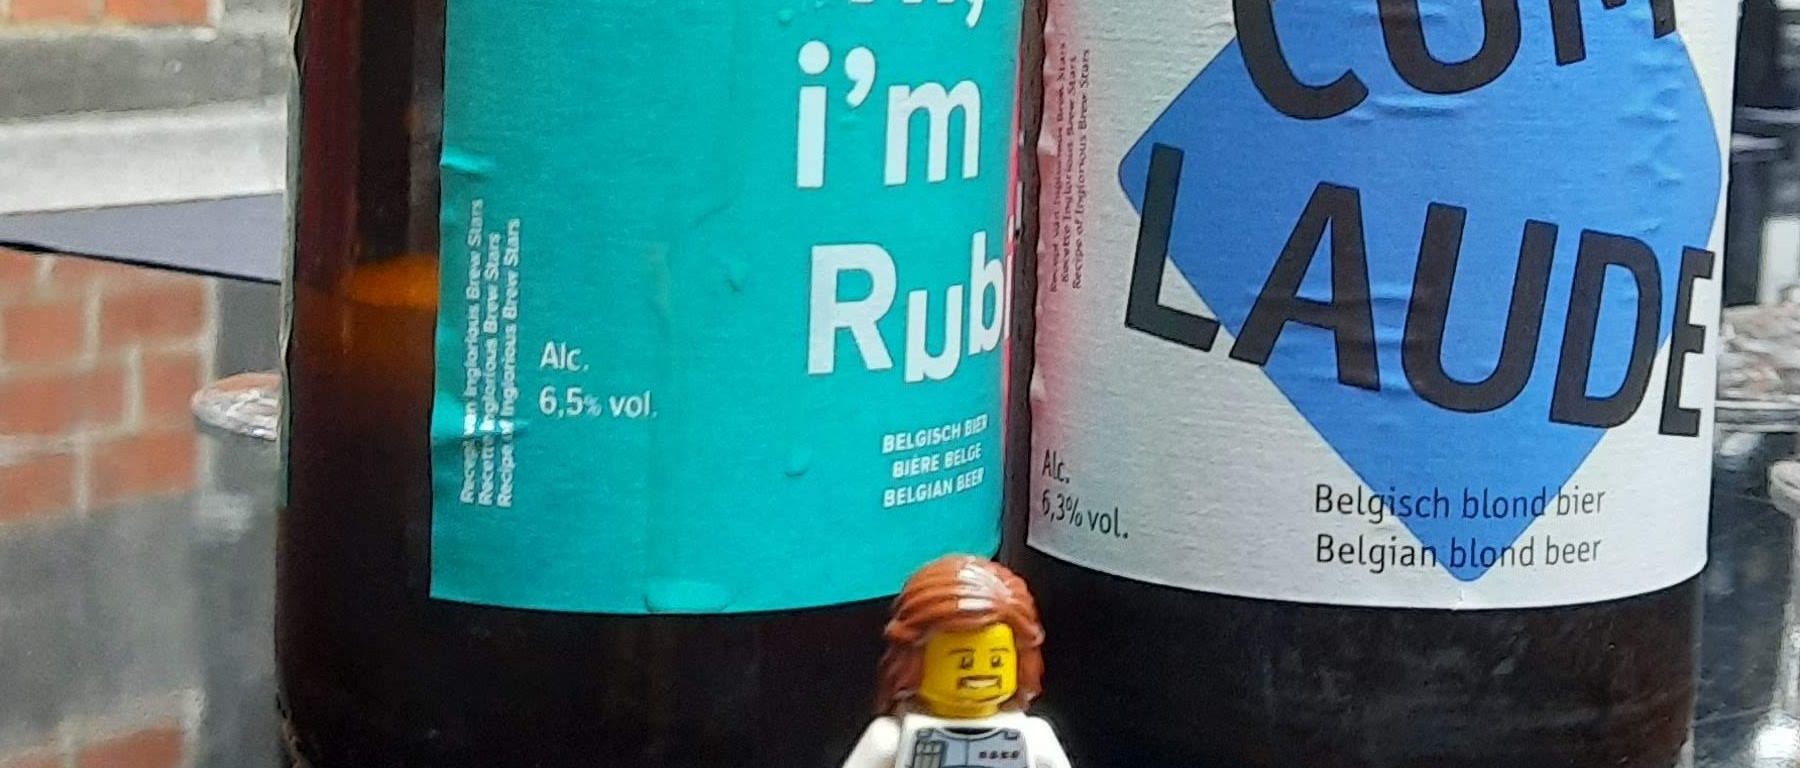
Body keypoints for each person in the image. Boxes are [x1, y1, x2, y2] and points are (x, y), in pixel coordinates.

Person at [841, 556, 1073, 768]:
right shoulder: (888, 740)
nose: (982, 674)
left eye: (996, 661)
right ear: (913, 661)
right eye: (964, 663)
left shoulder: (1035, 738)